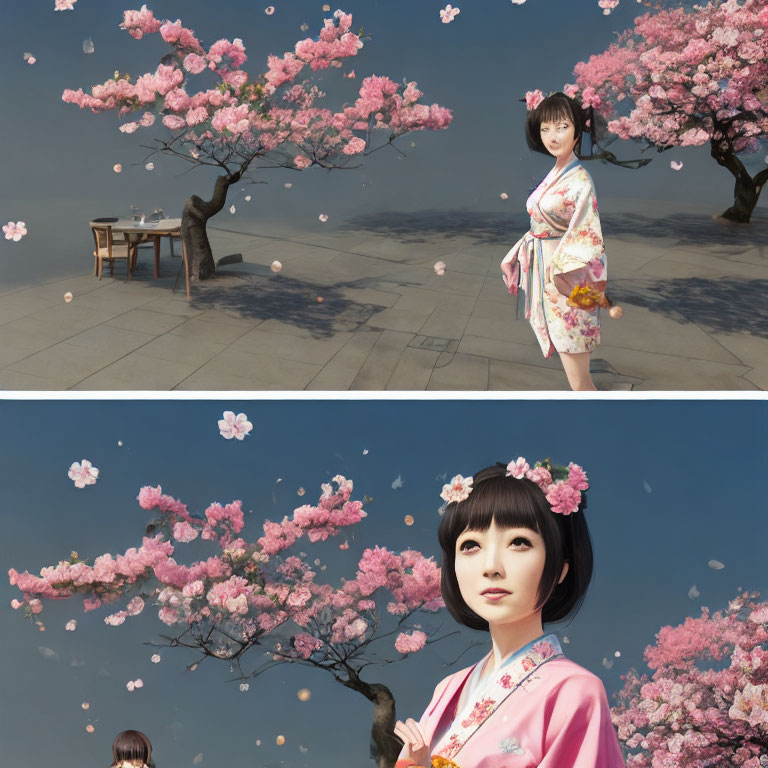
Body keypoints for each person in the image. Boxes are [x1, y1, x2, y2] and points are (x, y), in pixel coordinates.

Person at [394, 459, 625, 768]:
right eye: (471, 545)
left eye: (519, 542)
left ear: (559, 568)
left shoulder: (576, 691)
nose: (491, 567)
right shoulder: (448, 688)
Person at [501, 91, 613, 391]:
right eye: (545, 128)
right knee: (573, 368)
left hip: (566, 276)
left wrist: (558, 269)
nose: (552, 136)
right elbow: (539, 222)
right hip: (548, 270)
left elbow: (587, 237)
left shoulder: (580, 181)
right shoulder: (557, 173)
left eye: (562, 126)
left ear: (578, 129)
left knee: (577, 374)